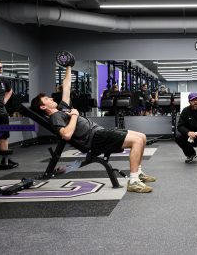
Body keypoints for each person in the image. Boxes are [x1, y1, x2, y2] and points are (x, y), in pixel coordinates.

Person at [31, 65, 156, 193]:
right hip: (94, 138)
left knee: (142, 137)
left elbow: (66, 86)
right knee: (137, 141)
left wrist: (68, 66)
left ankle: (138, 173)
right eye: (46, 99)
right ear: (42, 107)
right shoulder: (55, 117)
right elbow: (66, 135)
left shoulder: (62, 109)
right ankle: (134, 181)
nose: (51, 98)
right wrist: (74, 115)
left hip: (99, 132)